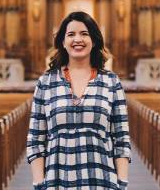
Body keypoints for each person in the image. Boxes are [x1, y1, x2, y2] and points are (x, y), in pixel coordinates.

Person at [26, 11, 131, 190]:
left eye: (84, 34)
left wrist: (121, 183)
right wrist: (39, 183)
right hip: (56, 181)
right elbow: (36, 139)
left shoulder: (111, 81)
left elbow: (121, 139)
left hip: (101, 181)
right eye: (71, 34)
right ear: (62, 41)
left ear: (95, 40)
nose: (78, 39)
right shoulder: (46, 81)